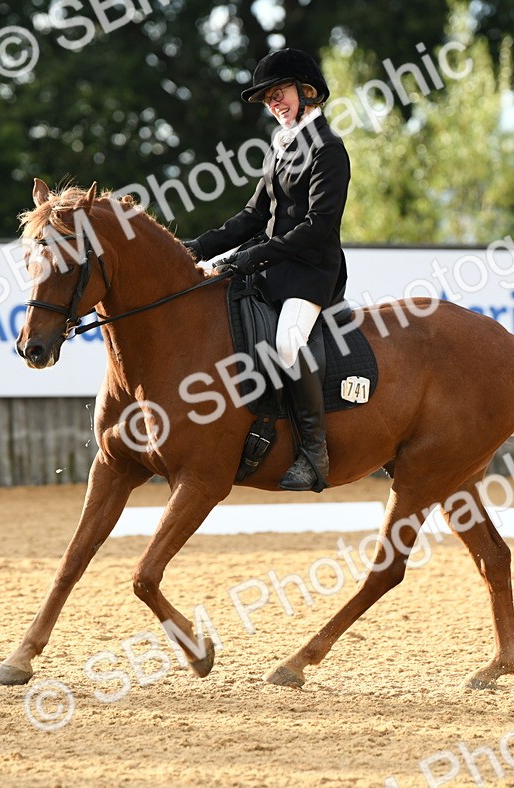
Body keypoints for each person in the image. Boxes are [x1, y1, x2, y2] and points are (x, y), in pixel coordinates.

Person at [181, 48, 350, 493]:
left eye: (280, 94)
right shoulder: (281, 145)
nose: (275, 103)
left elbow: (318, 226)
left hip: (311, 271)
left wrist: (251, 257)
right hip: (273, 266)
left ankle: (314, 455)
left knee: (289, 342)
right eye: (269, 98)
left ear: (307, 92)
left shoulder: (329, 149)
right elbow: (253, 215)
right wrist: (196, 247)